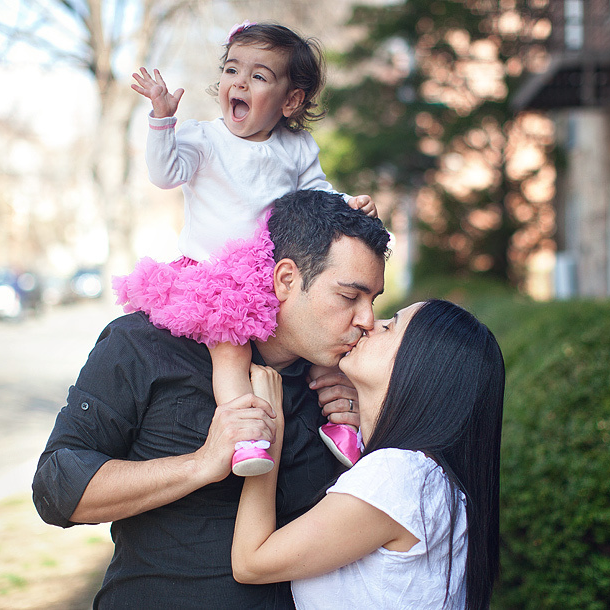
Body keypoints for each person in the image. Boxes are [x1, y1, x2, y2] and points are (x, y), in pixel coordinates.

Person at [32, 190, 390, 609]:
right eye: (350, 297)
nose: (366, 319)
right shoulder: (144, 344)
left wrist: (369, 420)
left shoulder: (340, 390)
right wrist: (200, 464)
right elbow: (55, 489)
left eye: (373, 301)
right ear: (286, 279)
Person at [115, 21, 373, 474]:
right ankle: (247, 435)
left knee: (320, 351)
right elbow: (164, 173)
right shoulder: (203, 138)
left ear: (290, 100)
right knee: (230, 353)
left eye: (258, 76)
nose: (239, 82)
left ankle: (341, 425)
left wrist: (347, 203)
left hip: (273, 271)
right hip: (218, 277)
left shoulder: (295, 146)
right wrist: (161, 117)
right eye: (232, 70)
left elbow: (315, 192)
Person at [224, 298, 505, 609]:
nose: (370, 324)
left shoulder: (399, 475)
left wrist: (269, 428)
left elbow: (251, 561)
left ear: (421, 366)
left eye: (390, 326)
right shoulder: (426, 479)